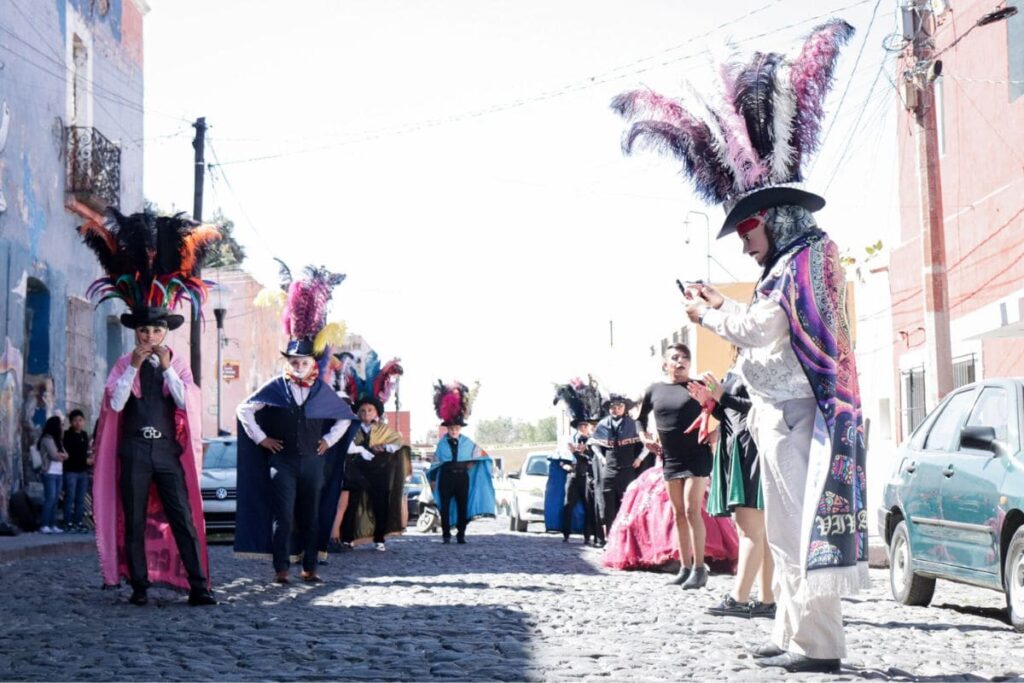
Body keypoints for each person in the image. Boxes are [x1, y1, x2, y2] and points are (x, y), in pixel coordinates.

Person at [614, 19, 865, 673]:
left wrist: (712, 310)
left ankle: (819, 645)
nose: (745, 242)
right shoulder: (783, 266)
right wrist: (727, 315)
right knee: (783, 536)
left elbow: (765, 331)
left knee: (800, 535)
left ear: (772, 218)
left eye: (748, 229)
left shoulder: (808, 259)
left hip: (801, 421)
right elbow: (764, 344)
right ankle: (792, 633)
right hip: (777, 418)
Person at [79, 209, 220, 607]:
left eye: (156, 330)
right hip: (135, 449)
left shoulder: (176, 364)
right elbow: (117, 403)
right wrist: (136, 367)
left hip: (167, 453)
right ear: (136, 332)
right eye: (144, 330)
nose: (150, 335)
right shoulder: (124, 365)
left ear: (165, 331)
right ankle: (138, 585)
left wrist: (164, 369)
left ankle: (198, 585)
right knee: (135, 520)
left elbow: (185, 401)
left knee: (183, 519)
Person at [235, 264, 355, 583]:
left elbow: (345, 418)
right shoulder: (276, 387)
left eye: (303, 362)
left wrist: (328, 441)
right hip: (283, 463)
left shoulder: (321, 389)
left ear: (312, 363)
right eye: (294, 362)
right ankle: (281, 569)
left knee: (310, 517)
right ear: (288, 363)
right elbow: (244, 410)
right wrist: (261, 439)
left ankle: (310, 567)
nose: (299, 367)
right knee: (283, 517)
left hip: (313, 463)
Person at [688, 372, 775, 619]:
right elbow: (731, 413)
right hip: (739, 447)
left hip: (751, 449)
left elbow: (762, 407)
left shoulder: (757, 363)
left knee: (750, 530)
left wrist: (722, 396)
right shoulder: (739, 365)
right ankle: (767, 599)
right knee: (760, 533)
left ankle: (740, 597)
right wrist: (712, 403)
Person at [635, 344, 713, 589]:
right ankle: (685, 567)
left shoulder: (699, 385)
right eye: (675, 358)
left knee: (692, 511)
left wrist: (715, 430)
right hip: (670, 458)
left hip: (696, 455)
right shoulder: (654, 390)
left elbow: (721, 411)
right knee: (678, 514)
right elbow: (639, 419)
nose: (681, 362)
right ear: (665, 363)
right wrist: (644, 438)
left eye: (685, 358)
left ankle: (700, 569)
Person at [337, 395, 410, 550]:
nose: (366, 414)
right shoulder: (352, 428)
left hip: (379, 471)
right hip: (357, 471)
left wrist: (385, 446)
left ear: (376, 412)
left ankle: (379, 539)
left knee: (380, 504)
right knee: (352, 504)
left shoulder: (383, 429)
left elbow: (398, 442)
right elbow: (344, 445)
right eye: (362, 410)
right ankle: (347, 538)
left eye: (370, 410)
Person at [429, 380, 494, 544]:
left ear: (460, 428)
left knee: (462, 506)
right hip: (446, 478)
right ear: (447, 429)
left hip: (462, 478)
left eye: (456, 428)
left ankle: (461, 534)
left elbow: (482, 455)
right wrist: (433, 480)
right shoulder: (442, 444)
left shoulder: (467, 442)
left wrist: (470, 464)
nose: (454, 430)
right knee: (444, 507)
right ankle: (445, 535)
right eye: (451, 428)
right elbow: (436, 463)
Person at [553, 378, 604, 546]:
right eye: (581, 426)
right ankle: (566, 534)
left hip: (588, 475)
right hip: (573, 475)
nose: (583, 428)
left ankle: (589, 535)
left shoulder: (593, 439)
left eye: (585, 426)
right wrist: (566, 463)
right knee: (568, 505)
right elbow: (561, 458)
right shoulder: (569, 440)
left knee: (590, 507)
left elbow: (594, 457)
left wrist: (583, 453)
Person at [590, 394, 647, 534]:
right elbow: (593, 444)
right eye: (613, 407)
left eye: (619, 407)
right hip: (609, 470)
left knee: (629, 505)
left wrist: (639, 458)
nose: (616, 409)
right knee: (608, 506)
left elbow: (647, 444)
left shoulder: (634, 423)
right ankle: (610, 539)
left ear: (625, 408)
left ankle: (629, 538)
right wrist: (601, 458)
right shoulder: (603, 424)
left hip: (628, 470)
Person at [62, 409, 92, 533]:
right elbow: (71, 454)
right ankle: (67, 522)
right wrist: (85, 460)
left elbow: (84, 452)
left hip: (83, 472)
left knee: (80, 499)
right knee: (70, 498)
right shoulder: (67, 435)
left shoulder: (84, 435)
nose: (78, 423)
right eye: (75, 421)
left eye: (80, 420)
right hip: (71, 471)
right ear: (71, 422)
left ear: (84, 421)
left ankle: (78, 522)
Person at [37, 416, 66, 534]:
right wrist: (61, 456)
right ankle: (44, 524)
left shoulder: (58, 440)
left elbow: (66, 454)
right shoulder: (47, 439)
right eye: (61, 425)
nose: (62, 427)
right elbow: (54, 456)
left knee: (55, 500)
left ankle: (52, 524)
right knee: (50, 498)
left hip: (59, 472)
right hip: (49, 472)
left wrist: (61, 456)